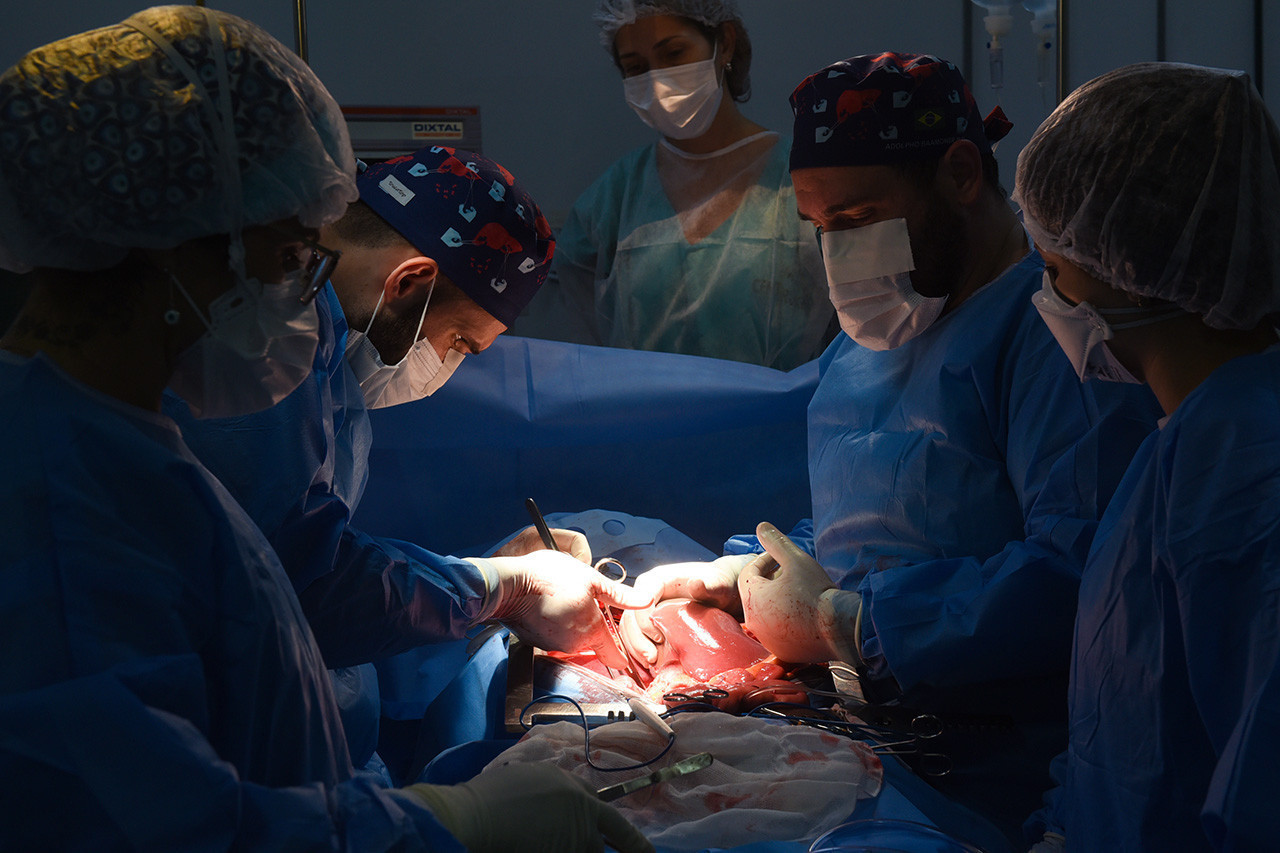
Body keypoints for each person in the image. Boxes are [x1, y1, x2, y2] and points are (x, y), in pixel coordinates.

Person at [0, 8, 652, 852]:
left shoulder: (118, 447)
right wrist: (445, 824)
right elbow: (160, 827)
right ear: (177, 247)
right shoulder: (60, 502)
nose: (305, 297)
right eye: (289, 258)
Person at [621, 52, 1162, 843]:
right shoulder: (882, 326)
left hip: (998, 770)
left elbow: (1082, 572)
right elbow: (881, 520)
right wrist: (746, 576)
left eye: (858, 217)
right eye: (819, 226)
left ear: (961, 173)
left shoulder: (1057, 341)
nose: (839, 251)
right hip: (867, 730)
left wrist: (853, 624)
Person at [165, 144, 651, 780]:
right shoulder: (263, 352)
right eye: (460, 342)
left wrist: (482, 579)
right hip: (220, 761)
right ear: (409, 283)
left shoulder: (314, 347)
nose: (449, 363)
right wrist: (503, 587)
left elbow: (303, 547)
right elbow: (301, 589)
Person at [1013, 62, 1280, 852]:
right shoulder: (1181, 440)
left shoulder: (1246, 482)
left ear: (1128, 267)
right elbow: (1125, 718)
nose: (1046, 297)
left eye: (1054, 270)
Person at [511, 0, 834, 370]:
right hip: (641, 406)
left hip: (790, 407)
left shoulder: (801, 181)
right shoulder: (613, 199)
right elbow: (586, 343)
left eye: (674, 53)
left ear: (725, 44)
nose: (657, 80)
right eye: (636, 67)